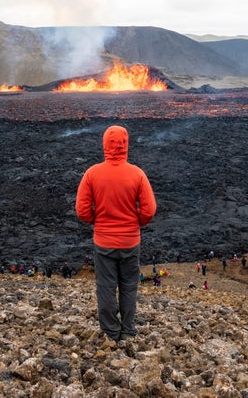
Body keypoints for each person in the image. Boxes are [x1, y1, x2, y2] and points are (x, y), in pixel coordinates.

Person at [76, 125, 157, 344]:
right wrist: (135, 222)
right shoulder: (137, 174)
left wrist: (99, 221)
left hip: (104, 242)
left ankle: (111, 332)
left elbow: (82, 210)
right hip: (131, 241)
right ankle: (128, 331)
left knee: (106, 286)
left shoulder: (92, 174)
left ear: (105, 145)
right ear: (125, 145)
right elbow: (149, 210)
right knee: (129, 286)